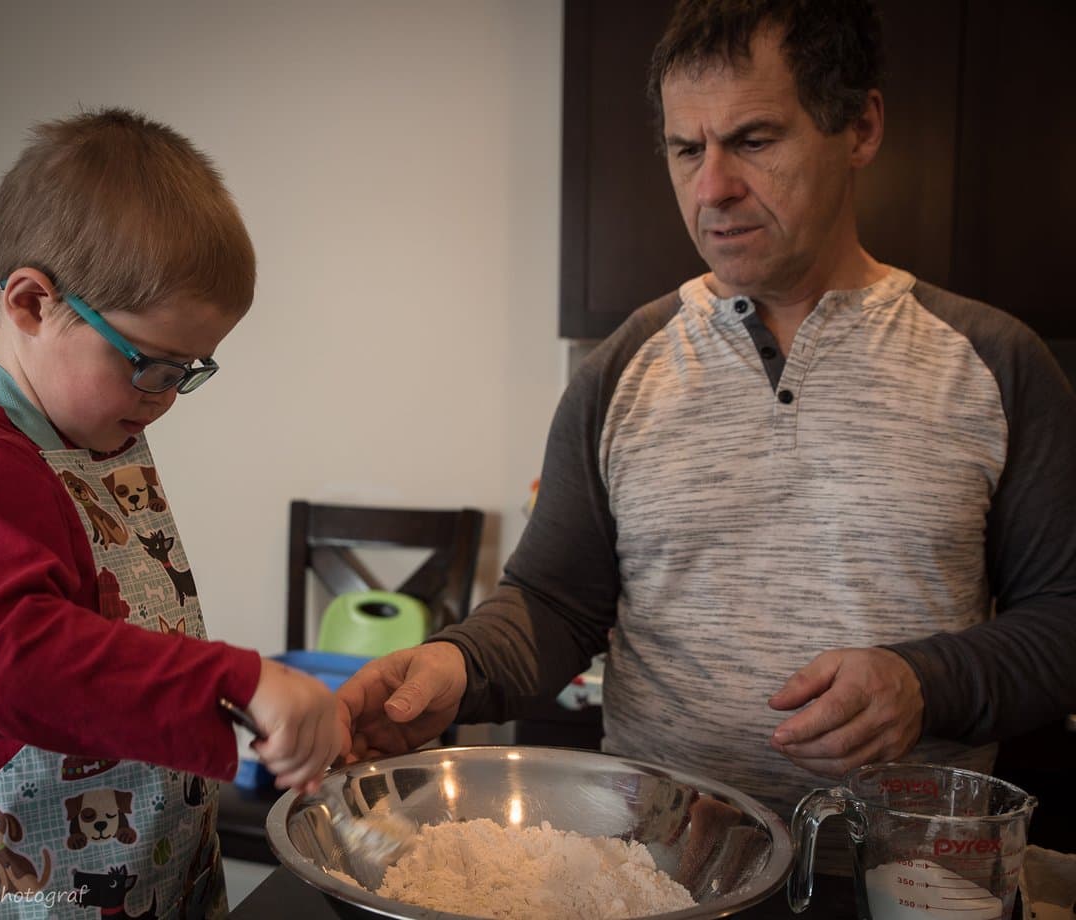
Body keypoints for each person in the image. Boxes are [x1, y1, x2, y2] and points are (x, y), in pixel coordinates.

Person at [337, 0, 1076, 875]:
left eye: (754, 139)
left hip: (905, 885)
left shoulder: (996, 364)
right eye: (687, 149)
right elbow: (555, 601)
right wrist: (453, 663)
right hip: (656, 878)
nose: (711, 187)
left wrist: (926, 685)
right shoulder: (622, 370)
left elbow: (1065, 620)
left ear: (861, 127)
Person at [0, 108, 345, 919]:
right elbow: (10, 663)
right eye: (149, 366)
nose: (166, 400)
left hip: (148, 870)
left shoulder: (94, 442)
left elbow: (120, 650)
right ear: (31, 304)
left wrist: (244, 706)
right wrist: (234, 675)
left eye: (187, 372)